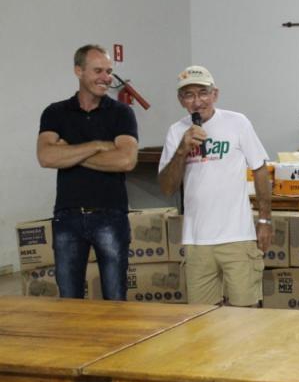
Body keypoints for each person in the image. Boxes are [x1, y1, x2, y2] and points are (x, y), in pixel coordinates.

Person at [159, 65, 272, 307]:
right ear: (181, 100)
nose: (197, 101)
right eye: (189, 95)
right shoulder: (176, 132)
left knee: (246, 313)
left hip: (237, 236)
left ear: (215, 94)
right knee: (202, 319)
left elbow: (260, 170)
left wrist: (265, 220)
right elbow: (167, 188)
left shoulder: (237, 123)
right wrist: (182, 149)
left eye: (203, 93)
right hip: (197, 240)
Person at [37, 44, 139, 300]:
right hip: (67, 217)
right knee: (69, 300)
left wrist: (68, 153)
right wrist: (97, 146)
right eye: (98, 71)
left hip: (111, 215)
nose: (106, 77)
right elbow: (46, 157)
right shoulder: (55, 112)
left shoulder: (122, 113)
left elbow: (126, 160)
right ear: (78, 71)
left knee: (115, 299)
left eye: (109, 71)